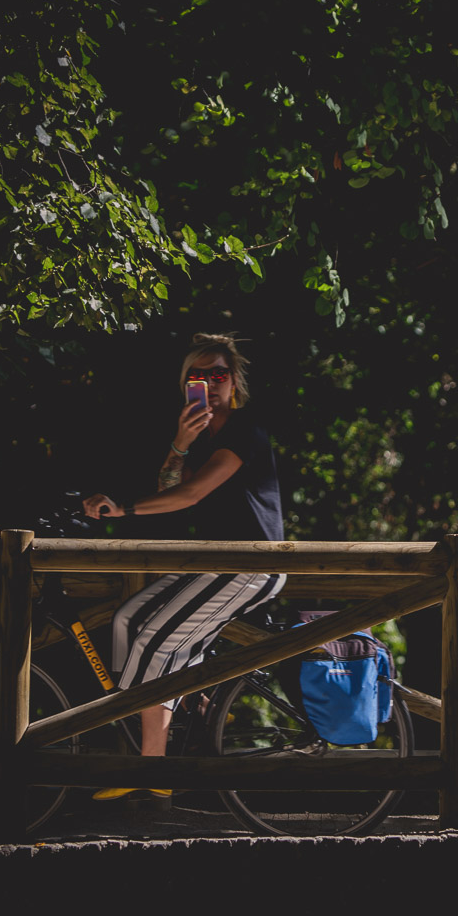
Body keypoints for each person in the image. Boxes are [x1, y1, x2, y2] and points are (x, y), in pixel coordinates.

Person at [82, 333, 285, 799]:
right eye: (199, 376)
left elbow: (190, 494)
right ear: (185, 385)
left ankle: (150, 770)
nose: (210, 385)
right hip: (211, 564)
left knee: (154, 640)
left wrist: (124, 509)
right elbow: (173, 490)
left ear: (234, 383)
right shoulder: (206, 438)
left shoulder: (244, 433)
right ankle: (180, 699)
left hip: (249, 567)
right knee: (127, 619)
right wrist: (180, 442)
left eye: (219, 375)